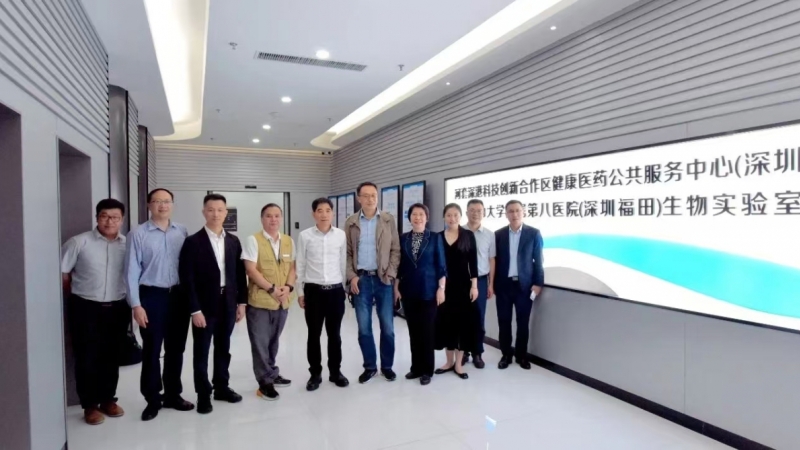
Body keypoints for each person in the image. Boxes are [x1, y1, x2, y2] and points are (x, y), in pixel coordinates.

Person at [125, 188, 193, 421]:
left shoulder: (182, 231)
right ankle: (152, 399)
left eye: (167, 201)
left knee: (176, 348)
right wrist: (136, 305)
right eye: (157, 201)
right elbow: (131, 271)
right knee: (152, 350)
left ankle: (173, 394)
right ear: (148, 205)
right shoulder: (138, 233)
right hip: (151, 296)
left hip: (178, 297)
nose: (162, 205)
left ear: (172, 204)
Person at [61, 199, 129, 425]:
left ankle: (108, 399)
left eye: (115, 217)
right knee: (86, 356)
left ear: (122, 219)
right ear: (97, 217)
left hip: (117, 307)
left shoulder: (127, 244)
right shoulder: (78, 242)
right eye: (104, 216)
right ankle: (89, 405)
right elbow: (63, 273)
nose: (109, 221)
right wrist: (78, 295)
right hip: (85, 307)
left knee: (112, 355)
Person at [178, 194, 247, 414]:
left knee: (224, 347)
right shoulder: (192, 242)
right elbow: (187, 279)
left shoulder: (233, 241)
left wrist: (241, 302)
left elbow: (239, 274)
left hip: (228, 302)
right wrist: (194, 310)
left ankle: (221, 387)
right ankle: (203, 394)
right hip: (204, 306)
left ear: (226, 213)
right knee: (201, 351)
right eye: (210, 209)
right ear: (203, 212)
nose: (215, 214)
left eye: (220, 210)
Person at [344, 182, 401, 384]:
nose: (370, 199)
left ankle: (387, 367)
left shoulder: (387, 220)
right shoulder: (351, 222)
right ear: (359, 198)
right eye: (366, 195)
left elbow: (395, 249)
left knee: (388, 327)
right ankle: (370, 367)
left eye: (374, 195)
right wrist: (352, 276)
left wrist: (391, 274)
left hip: (383, 279)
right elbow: (347, 253)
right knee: (364, 328)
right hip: (361, 280)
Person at [241, 203, 296, 401]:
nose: (273, 219)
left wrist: (288, 287)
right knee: (260, 342)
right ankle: (264, 382)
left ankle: (271, 372)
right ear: (262, 218)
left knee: (273, 340)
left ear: (281, 218)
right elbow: (250, 270)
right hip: (261, 301)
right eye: (268, 216)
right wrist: (272, 289)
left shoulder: (288, 241)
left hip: (282, 301)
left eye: (277, 215)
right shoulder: (253, 240)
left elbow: (292, 268)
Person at [296, 198, 350, 391]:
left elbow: (343, 263)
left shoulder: (340, 235)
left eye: (328, 210)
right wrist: (300, 291)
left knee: (335, 335)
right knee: (314, 335)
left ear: (332, 213)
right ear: (314, 214)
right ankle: (315, 374)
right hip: (313, 291)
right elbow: (300, 263)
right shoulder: (305, 236)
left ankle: (335, 372)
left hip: (335, 291)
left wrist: (343, 289)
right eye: (320, 210)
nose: (324, 214)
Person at [394, 204, 446, 386]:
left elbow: (441, 265)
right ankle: (415, 368)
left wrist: (441, 288)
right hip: (409, 291)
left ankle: (427, 370)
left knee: (427, 332)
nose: (418, 217)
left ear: (427, 217)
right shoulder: (403, 238)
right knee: (413, 332)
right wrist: (396, 288)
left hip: (429, 291)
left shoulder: (435, 238)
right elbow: (400, 266)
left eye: (421, 214)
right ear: (409, 218)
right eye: (414, 214)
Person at [494, 200, 544, 370]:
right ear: (506, 214)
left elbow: (539, 261)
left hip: (524, 287)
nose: (514, 214)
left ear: (523, 212)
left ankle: (521, 356)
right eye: (510, 211)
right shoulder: (498, 234)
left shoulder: (533, 233)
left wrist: (538, 283)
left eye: (517, 210)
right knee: (504, 322)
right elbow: (494, 261)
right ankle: (506, 355)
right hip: (503, 286)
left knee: (523, 323)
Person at [434, 204, 479, 380]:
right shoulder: (438, 237)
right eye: (448, 215)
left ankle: (458, 364)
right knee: (447, 324)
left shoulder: (468, 235)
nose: (452, 218)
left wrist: (474, 286)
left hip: (463, 287)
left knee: (462, 325)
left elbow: (473, 263)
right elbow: (436, 263)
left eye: (455, 215)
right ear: (444, 217)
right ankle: (448, 362)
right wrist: (439, 287)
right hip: (444, 286)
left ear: (461, 217)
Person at [461, 199, 496, 369]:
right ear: (466, 212)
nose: (475, 213)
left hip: (481, 281)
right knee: (462, 317)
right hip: (461, 281)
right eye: (472, 210)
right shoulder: (459, 232)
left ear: (484, 213)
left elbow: (491, 260)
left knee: (478, 318)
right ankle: (463, 352)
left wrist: (490, 284)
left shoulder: (489, 235)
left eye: (479, 210)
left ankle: (477, 353)